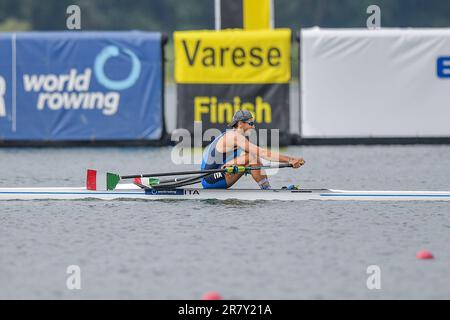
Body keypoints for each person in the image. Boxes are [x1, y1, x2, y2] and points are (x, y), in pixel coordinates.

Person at [201, 110, 305, 189]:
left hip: (217, 174)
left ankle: (267, 189)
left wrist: (249, 168)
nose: (253, 126)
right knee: (252, 156)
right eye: (250, 123)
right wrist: (290, 160)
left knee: (252, 157)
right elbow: (263, 153)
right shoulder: (234, 137)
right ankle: (267, 191)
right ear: (240, 123)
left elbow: (253, 161)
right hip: (210, 179)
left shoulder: (235, 137)